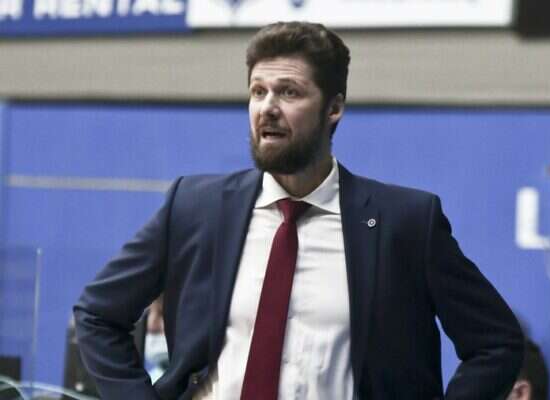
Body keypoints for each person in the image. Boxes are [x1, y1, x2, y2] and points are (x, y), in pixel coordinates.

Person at [74, 21, 524, 399]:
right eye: (258, 91)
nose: (267, 108)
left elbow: (496, 343)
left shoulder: (404, 223)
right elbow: (97, 315)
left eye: (288, 92)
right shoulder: (195, 207)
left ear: (334, 108)